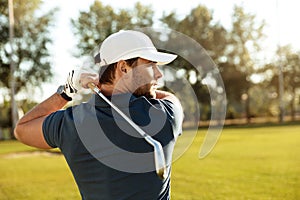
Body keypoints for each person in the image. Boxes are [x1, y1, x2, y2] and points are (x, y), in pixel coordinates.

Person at [14, 30, 184, 200]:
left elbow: (22, 129)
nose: (159, 74)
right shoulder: (165, 115)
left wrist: (68, 90)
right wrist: (144, 88)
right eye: (150, 65)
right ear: (123, 67)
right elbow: (171, 98)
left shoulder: (72, 122)